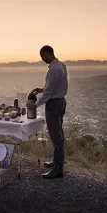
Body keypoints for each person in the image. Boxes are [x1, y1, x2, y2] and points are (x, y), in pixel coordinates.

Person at [30, 45, 68, 179]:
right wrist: (42, 89)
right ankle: (57, 162)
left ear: (47, 53)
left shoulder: (53, 69)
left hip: (54, 104)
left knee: (55, 135)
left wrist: (36, 105)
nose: (42, 59)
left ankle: (58, 169)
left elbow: (49, 92)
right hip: (61, 101)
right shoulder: (61, 65)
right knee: (59, 133)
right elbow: (56, 86)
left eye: (42, 56)